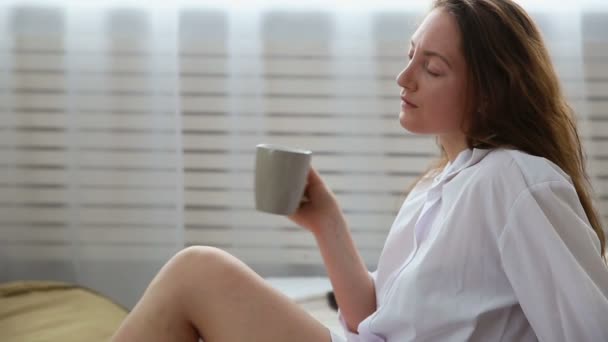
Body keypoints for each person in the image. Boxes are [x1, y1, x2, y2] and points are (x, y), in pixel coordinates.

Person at [111, 0, 608, 341]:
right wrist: (325, 220)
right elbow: (373, 318)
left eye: (432, 69)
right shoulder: (442, 184)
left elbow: (590, 329)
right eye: (411, 56)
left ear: (491, 91)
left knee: (198, 271)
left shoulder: (516, 179)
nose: (404, 78)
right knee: (196, 275)